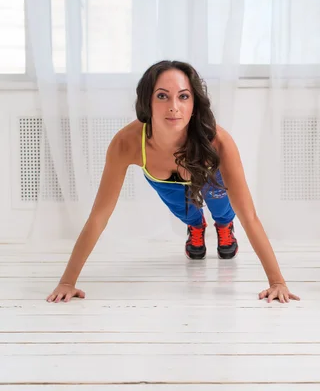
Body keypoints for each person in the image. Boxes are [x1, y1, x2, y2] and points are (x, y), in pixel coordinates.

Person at [46, 60, 299, 304]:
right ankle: (196, 228)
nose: (173, 106)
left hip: (210, 173)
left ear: (194, 104)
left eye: (183, 96)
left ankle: (223, 228)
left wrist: (277, 281)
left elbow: (250, 216)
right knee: (186, 213)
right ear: (147, 101)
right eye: (162, 96)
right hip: (167, 181)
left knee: (223, 210)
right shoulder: (126, 143)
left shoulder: (219, 142)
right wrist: (68, 281)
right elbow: (99, 216)